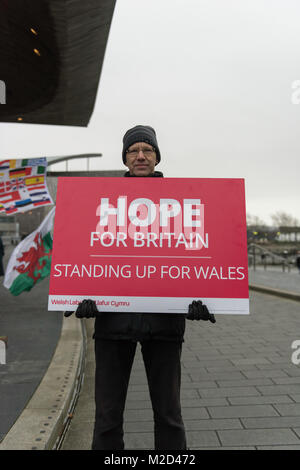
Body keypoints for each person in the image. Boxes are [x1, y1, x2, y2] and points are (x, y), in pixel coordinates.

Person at [66, 125, 216, 450]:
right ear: (125, 158)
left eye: (147, 150)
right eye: (133, 151)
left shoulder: (181, 202)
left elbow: (193, 255)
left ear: (157, 157)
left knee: (169, 415)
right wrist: (77, 297)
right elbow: (85, 251)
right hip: (112, 327)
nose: (141, 156)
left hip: (164, 327)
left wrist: (202, 300)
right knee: (107, 418)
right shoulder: (100, 203)